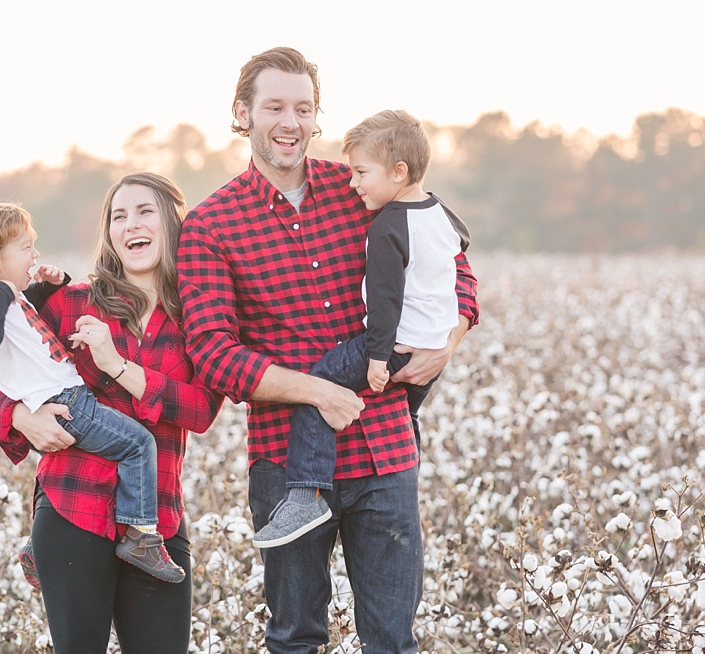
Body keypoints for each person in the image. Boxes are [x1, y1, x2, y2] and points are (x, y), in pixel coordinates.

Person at [177, 48, 479, 653]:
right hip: (286, 462)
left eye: (303, 108)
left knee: (392, 640)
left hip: (385, 449)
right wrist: (319, 390)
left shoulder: (364, 185)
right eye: (274, 107)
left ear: (317, 118)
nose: (290, 122)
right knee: (294, 636)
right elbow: (212, 352)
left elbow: (451, 268)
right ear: (243, 114)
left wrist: (449, 341)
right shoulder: (210, 224)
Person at [0, 174, 223, 653]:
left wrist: (117, 366)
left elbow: (201, 409)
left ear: (173, 222)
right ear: (110, 233)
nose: (131, 224)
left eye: (145, 212)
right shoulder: (71, 301)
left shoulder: (199, 316)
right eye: (119, 216)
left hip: (156, 523)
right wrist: (20, 418)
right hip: (72, 506)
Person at [252, 109, 473, 548]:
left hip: (390, 344)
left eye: (361, 173)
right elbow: (459, 246)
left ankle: (304, 493)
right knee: (408, 401)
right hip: (427, 344)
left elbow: (386, 299)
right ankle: (408, 421)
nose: (354, 184)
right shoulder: (439, 212)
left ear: (398, 171)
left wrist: (376, 356)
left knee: (319, 382)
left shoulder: (387, 224)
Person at [0, 201, 185, 583]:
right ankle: (140, 535)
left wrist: (50, 283)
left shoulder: (13, 299)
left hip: (67, 400)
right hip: (65, 401)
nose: (35, 254)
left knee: (124, 447)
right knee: (138, 444)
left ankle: (40, 549)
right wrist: (5, 288)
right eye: (25, 248)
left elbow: (23, 320)